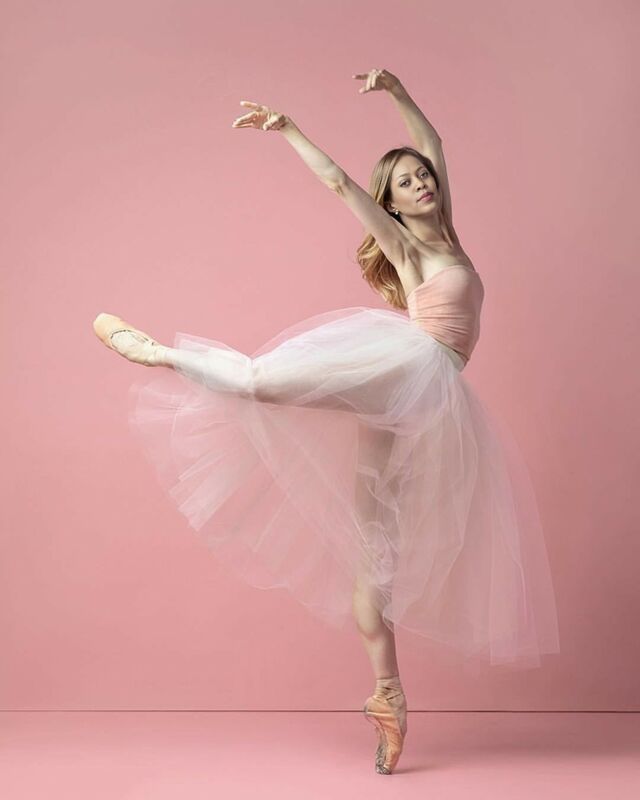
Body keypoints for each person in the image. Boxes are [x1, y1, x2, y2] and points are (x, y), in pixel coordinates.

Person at [92, 68, 560, 775]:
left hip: (425, 399)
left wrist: (398, 92)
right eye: (403, 183)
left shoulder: (451, 237)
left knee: (377, 549)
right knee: (261, 382)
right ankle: (159, 353)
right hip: (407, 369)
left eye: (421, 177)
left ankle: (387, 695)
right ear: (392, 205)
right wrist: (290, 131)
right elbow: (342, 186)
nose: (419, 184)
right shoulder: (409, 250)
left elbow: (432, 142)